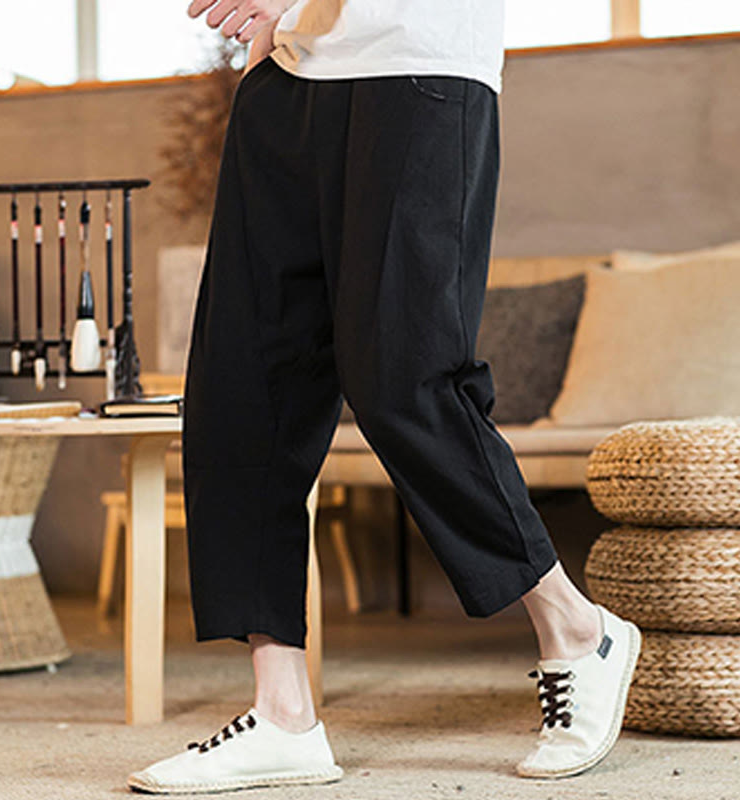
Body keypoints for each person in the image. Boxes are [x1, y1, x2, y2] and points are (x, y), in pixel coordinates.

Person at [128, 0, 642, 793]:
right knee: (244, 390)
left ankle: (578, 629)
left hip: (417, 68)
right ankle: (282, 714)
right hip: (286, 82)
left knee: (406, 381)